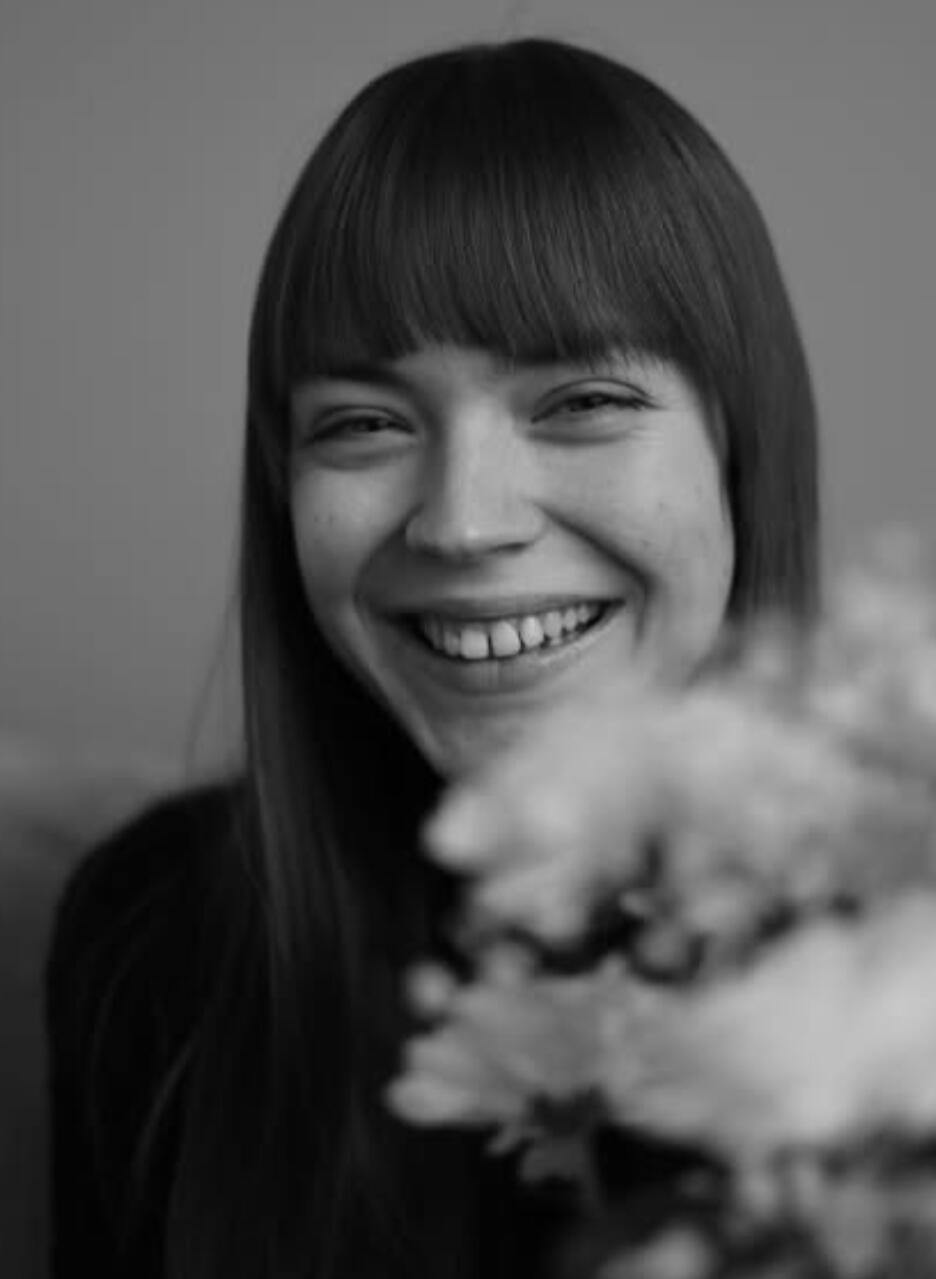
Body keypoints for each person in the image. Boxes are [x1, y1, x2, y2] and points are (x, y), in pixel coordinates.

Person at [45, 34, 819, 1279]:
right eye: (363, 423)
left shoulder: (899, 955)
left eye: (582, 402)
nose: (462, 523)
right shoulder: (159, 931)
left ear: (741, 449)